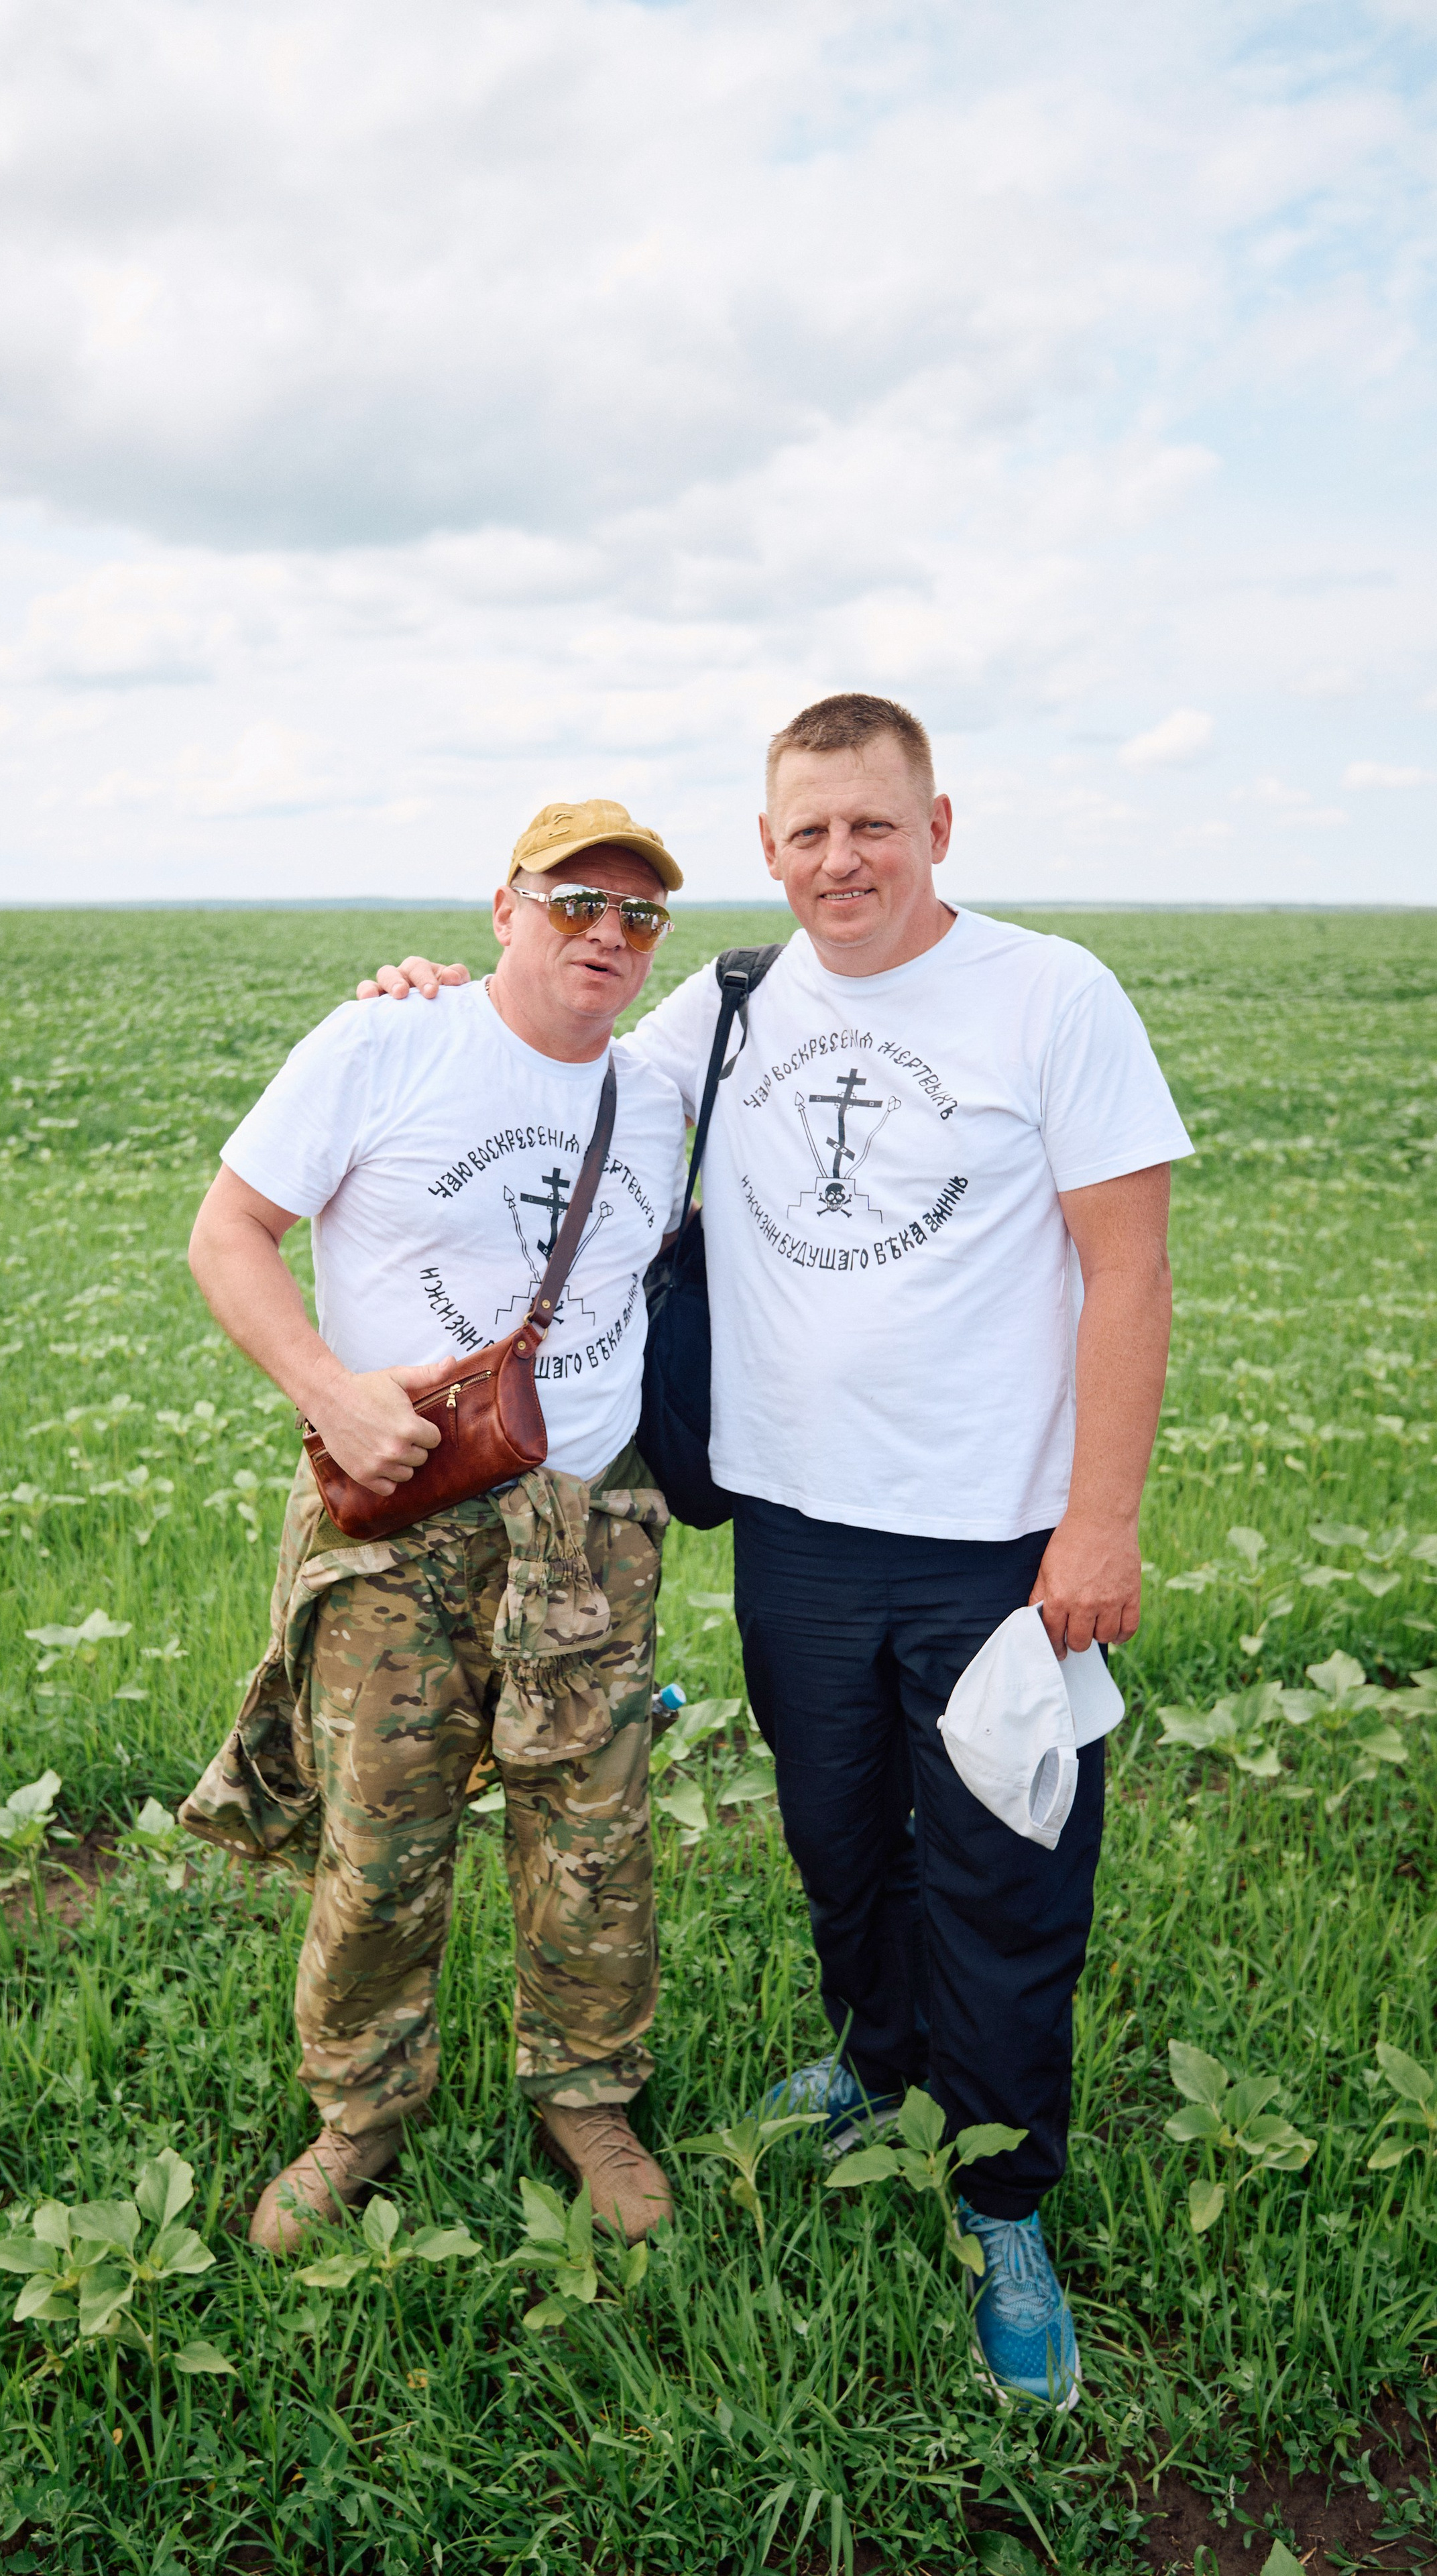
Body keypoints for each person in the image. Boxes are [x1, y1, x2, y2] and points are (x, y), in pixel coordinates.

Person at [357, 695, 1192, 2404]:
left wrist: (1096, 1521)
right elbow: (553, 1061)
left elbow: (1128, 1269)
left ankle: (1000, 2199)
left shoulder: (1050, 996)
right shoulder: (727, 1008)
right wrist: (430, 1003)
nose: (840, 860)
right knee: (837, 1845)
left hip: (995, 1544)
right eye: (806, 832)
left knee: (1003, 1872)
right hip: (795, 1532)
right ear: (766, 850)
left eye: (871, 825)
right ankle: (876, 2065)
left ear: (938, 827)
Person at [184, 799, 689, 2252]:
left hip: (587, 1523)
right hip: (399, 1510)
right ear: (501, 908)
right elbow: (227, 1232)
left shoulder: (653, 1092)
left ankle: (585, 2095)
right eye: (572, 901)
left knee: (588, 1827)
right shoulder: (384, 1042)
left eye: (635, 914)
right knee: (382, 1828)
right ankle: (357, 2114)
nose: (603, 933)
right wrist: (327, 1392)